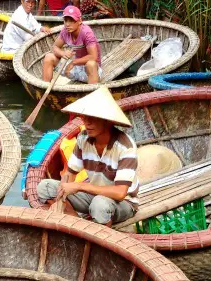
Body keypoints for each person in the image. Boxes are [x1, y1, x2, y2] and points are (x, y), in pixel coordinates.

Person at [36, 87, 137, 226]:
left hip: (122, 203)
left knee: (99, 205)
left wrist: (79, 186)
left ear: (107, 121)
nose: (87, 123)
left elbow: (120, 193)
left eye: (93, 118)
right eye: (85, 117)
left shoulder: (125, 147)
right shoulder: (83, 139)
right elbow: (70, 173)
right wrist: (62, 195)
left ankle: (99, 237)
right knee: (45, 187)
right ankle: (76, 221)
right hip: (93, 194)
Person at [42, 6, 102, 84]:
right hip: (75, 69)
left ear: (79, 21)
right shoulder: (65, 31)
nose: (67, 24)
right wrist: (63, 53)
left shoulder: (87, 32)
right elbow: (55, 47)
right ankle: (45, 88)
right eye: (65, 20)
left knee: (91, 64)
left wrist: (74, 62)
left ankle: (92, 94)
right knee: (49, 57)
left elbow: (93, 56)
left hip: (91, 72)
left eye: (71, 20)